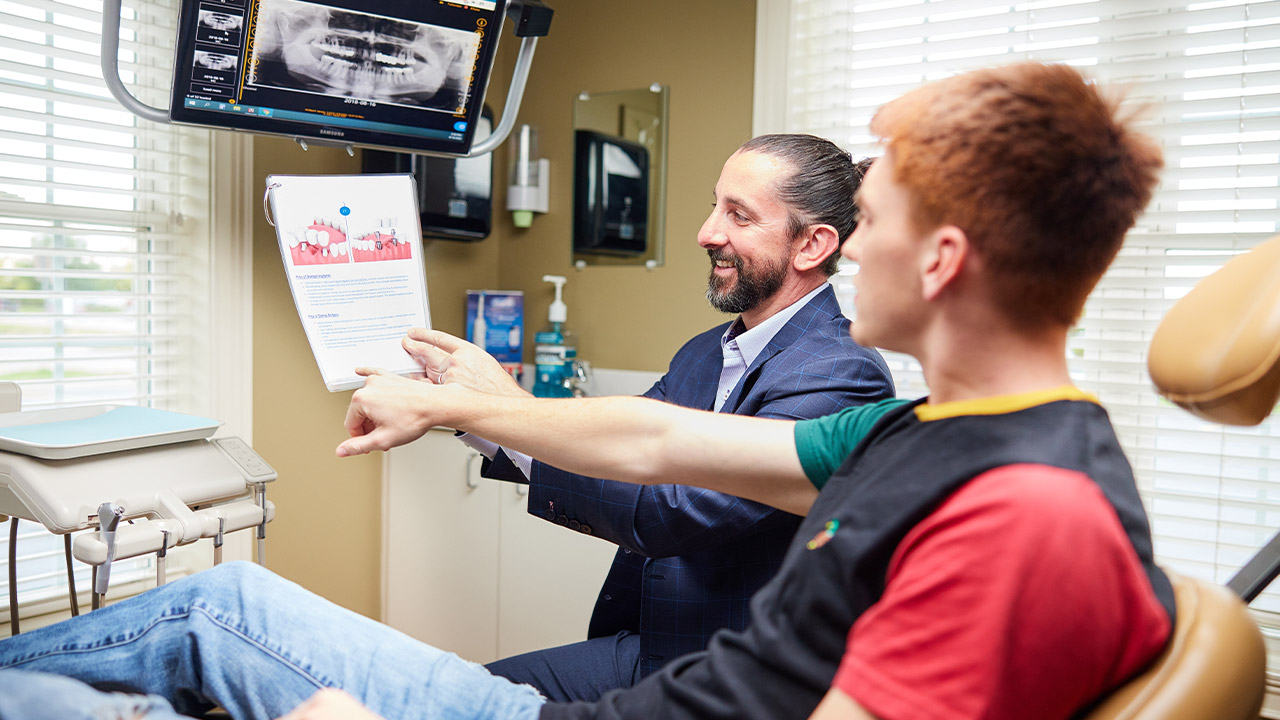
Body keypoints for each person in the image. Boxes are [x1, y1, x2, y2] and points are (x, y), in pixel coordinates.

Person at [0, 61, 1172, 720]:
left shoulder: (1025, 517)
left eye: (872, 220)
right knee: (218, 614)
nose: (851, 245)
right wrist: (474, 403)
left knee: (187, 639)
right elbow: (664, 441)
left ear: (940, 261)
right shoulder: (921, 430)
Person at [427, 134, 893, 701]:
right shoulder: (704, 352)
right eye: (714, 205)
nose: (707, 232)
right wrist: (468, 406)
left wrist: (484, 407)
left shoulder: (839, 371)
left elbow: (674, 511)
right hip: (652, 648)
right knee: (451, 692)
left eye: (738, 215)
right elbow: (611, 444)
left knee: (455, 701)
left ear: (812, 244)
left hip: (736, 677)